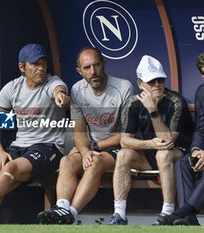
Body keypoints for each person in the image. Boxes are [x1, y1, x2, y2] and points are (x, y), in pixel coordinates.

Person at [0, 43, 70, 225]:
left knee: (9, 170)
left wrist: (60, 95)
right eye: (34, 64)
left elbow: (59, 90)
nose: (40, 68)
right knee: (3, 179)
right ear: (22, 67)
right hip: (19, 146)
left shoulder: (52, 82)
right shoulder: (13, 88)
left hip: (49, 147)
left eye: (43, 63)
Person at [37, 47, 136, 224]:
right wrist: (84, 151)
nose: (93, 72)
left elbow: (127, 134)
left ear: (104, 64)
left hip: (120, 148)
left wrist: (93, 148)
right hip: (92, 147)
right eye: (87, 68)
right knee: (66, 161)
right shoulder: (77, 90)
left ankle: (71, 214)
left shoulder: (124, 88)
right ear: (79, 71)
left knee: (95, 162)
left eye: (96, 65)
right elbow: (79, 132)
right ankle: (61, 207)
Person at [108, 55, 194, 225]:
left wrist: (153, 110)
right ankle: (119, 214)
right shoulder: (133, 103)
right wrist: (148, 144)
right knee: (124, 154)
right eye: (151, 81)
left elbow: (167, 140)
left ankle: (166, 213)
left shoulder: (175, 101)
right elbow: (125, 141)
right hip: (151, 153)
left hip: (179, 154)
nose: (157, 84)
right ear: (140, 84)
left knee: (163, 155)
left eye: (160, 80)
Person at [157, 52, 204, 226]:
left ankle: (184, 211)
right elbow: (200, 129)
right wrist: (197, 150)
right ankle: (189, 220)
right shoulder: (202, 92)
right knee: (184, 162)